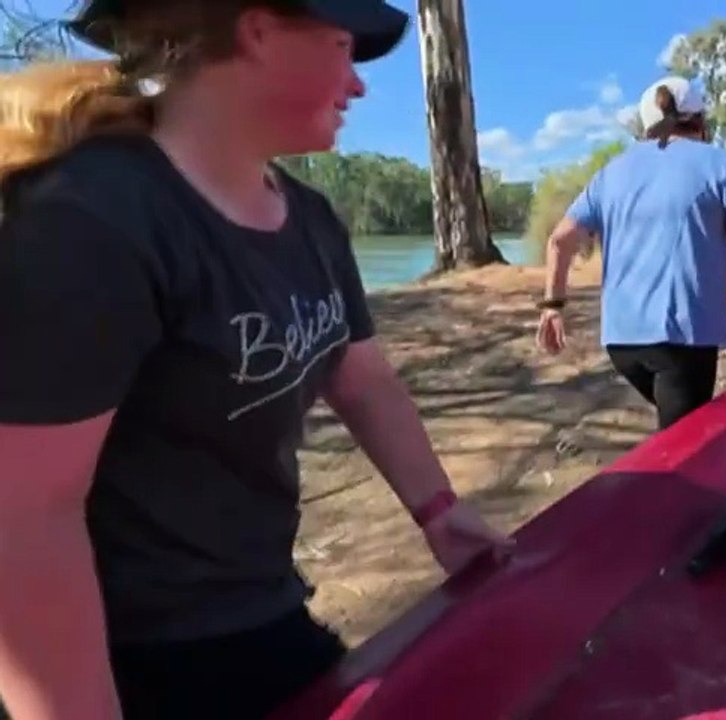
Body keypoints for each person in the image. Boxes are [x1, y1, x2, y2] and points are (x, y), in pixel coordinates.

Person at [0, 1, 514, 718]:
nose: (359, 84)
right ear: (259, 29)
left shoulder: (311, 220)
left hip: (254, 609)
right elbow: (24, 513)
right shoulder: (91, 219)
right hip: (125, 655)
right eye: (345, 46)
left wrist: (438, 510)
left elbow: (362, 378)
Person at [536, 76, 726, 431]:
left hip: (621, 341)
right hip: (683, 340)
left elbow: (559, 241)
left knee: (679, 426)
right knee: (685, 443)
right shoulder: (718, 164)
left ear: (647, 126)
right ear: (700, 120)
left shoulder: (611, 172)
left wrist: (553, 306)